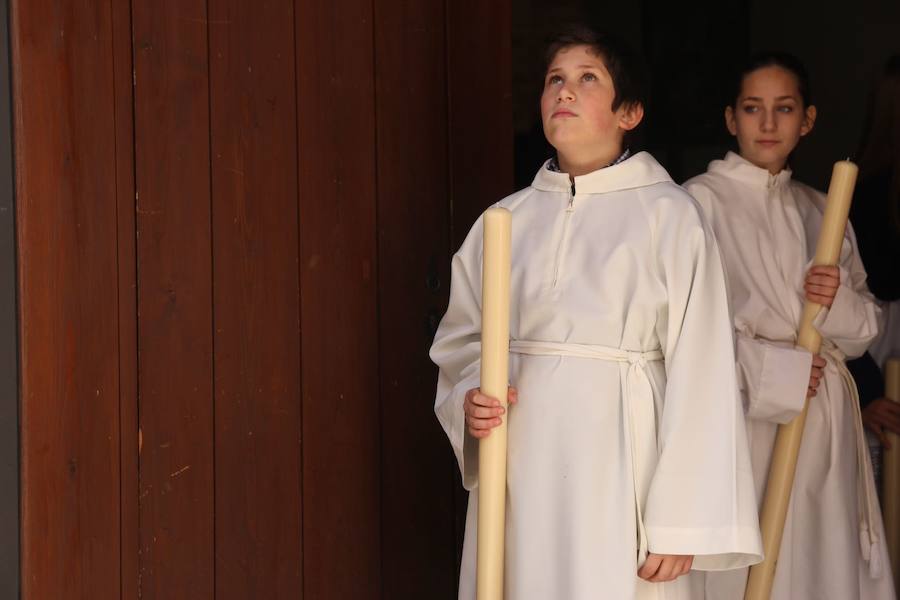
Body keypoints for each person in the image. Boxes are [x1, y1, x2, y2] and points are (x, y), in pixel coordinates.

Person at [430, 26, 762, 600]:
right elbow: (462, 338)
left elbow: (702, 368)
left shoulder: (670, 216)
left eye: (588, 79)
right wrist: (470, 399)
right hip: (523, 464)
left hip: (620, 466)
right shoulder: (504, 221)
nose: (565, 91)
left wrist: (681, 518)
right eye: (555, 80)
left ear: (629, 111)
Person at [684, 52, 894, 599]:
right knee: (752, 564)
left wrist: (835, 300)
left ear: (808, 120)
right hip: (745, 413)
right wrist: (775, 373)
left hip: (823, 416)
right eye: (753, 108)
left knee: (818, 559)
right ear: (732, 119)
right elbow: (683, 330)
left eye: (785, 108)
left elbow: (866, 326)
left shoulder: (822, 209)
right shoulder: (695, 205)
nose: (769, 123)